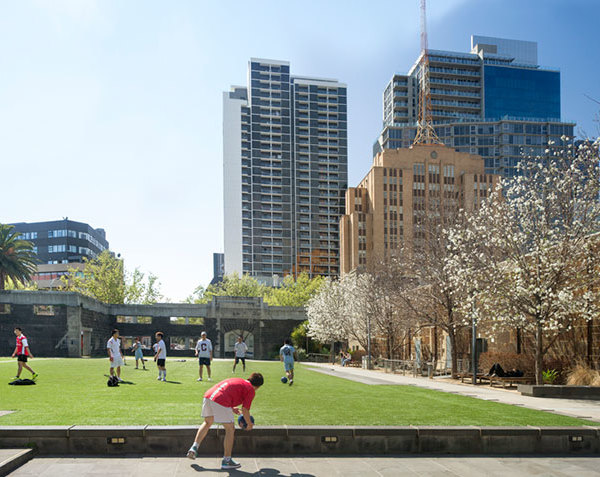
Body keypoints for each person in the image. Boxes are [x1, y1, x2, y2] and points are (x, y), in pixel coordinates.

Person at [187, 373, 264, 470]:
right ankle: (227, 461)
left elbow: (226, 391)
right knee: (230, 429)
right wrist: (249, 423)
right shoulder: (251, 389)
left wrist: (231, 407)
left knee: (207, 422)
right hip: (221, 400)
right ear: (258, 386)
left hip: (208, 396)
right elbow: (245, 410)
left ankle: (194, 448)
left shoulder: (238, 380)